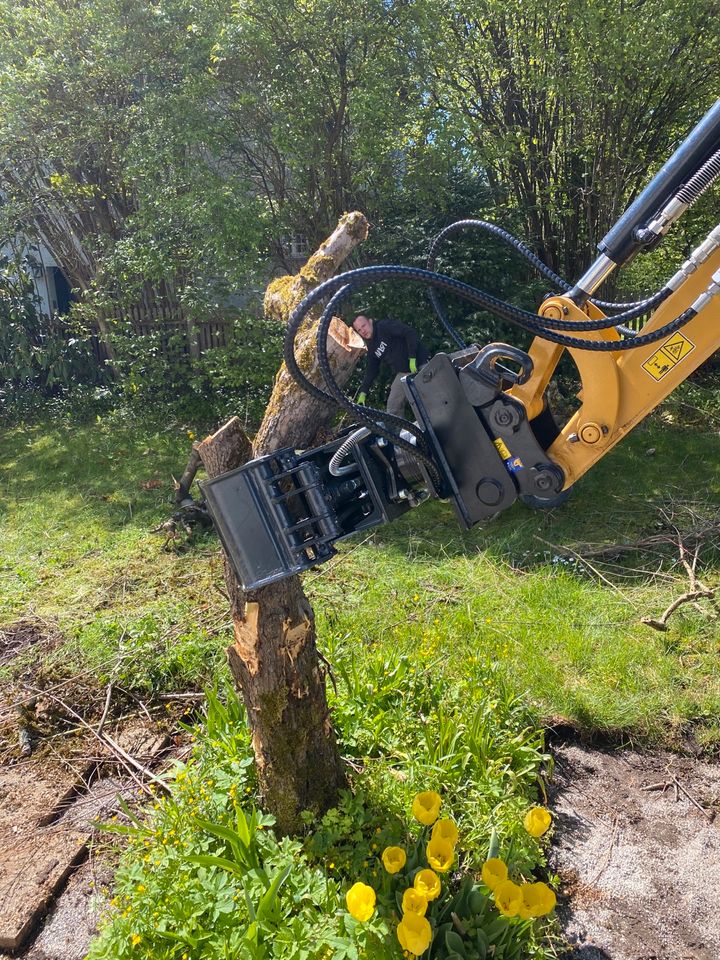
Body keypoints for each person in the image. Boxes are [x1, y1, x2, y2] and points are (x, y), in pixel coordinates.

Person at [351, 314, 430, 419]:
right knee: (393, 405)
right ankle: (395, 434)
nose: (363, 331)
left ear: (370, 321)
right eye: (359, 330)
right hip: (404, 372)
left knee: (432, 393)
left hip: (420, 363)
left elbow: (409, 332)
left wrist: (412, 357)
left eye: (363, 326)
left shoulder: (383, 326)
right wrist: (363, 392)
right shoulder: (371, 346)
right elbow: (371, 370)